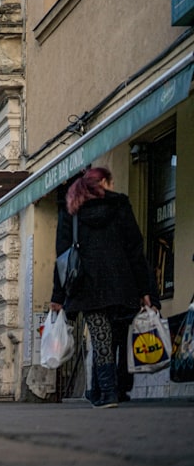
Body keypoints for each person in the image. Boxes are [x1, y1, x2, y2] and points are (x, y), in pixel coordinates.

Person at [50, 166, 159, 408]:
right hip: (122, 284)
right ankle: (111, 389)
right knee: (117, 337)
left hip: (87, 286)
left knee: (101, 340)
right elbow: (135, 249)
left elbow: (63, 257)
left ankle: (107, 393)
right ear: (103, 183)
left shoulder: (71, 211)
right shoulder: (120, 205)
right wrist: (144, 289)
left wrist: (58, 295)